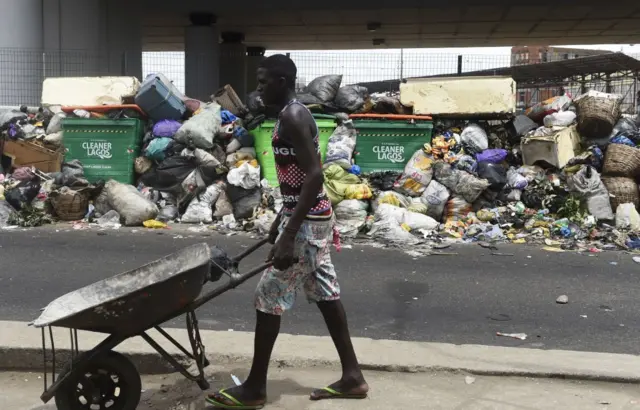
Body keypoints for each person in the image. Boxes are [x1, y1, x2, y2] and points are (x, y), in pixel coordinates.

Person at [206, 54, 368, 409]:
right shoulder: (286, 116)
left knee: (268, 297)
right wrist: (282, 216)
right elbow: (297, 178)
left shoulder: (294, 116)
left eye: (264, 81)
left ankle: (255, 389)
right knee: (325, 293)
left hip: (308, 224)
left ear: (282, 81)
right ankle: (353, 376)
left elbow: (314, 175)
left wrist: (289, 233)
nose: (259, 88)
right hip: (310, 217)